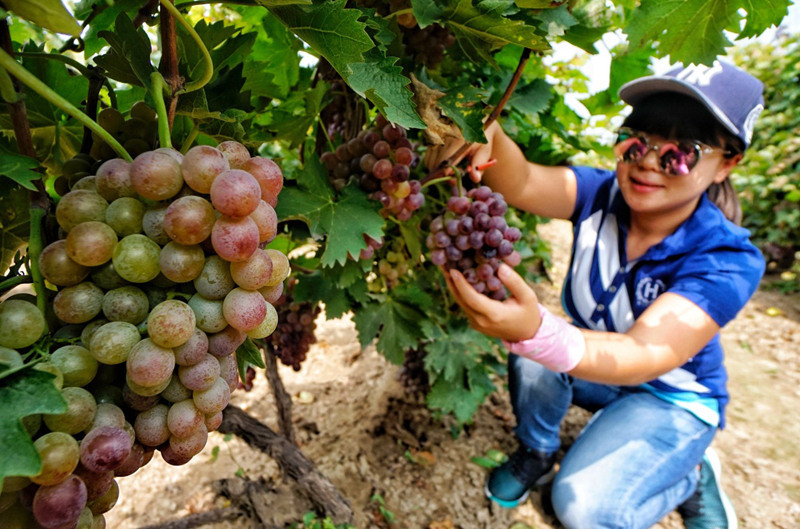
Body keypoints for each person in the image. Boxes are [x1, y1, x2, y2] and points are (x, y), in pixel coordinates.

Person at [426, 61, 765, 529]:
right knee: (533, 352)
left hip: (671, 398)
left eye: (681, 152)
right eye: (634, 141)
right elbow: (521, 181)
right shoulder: (597, 194)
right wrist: (487, 132)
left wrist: (542, 333)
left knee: (582, 509)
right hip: (602, 373)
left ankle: (691, 474)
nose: (647, 161)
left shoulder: (727, 255)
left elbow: (647, 351)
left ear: (727, 163)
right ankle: (538, 450)